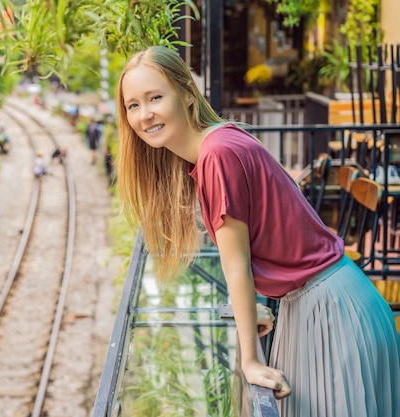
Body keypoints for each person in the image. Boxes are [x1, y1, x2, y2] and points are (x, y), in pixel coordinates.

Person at [116, 45, 400, 417]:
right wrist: (254, 306)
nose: (144, 114)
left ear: (186, 93)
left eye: (155, 97)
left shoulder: (217, 154)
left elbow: (238, 266)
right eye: (133, 105)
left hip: (329, 312)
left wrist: (249, 360)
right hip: (323, 302)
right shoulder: (220, 142)